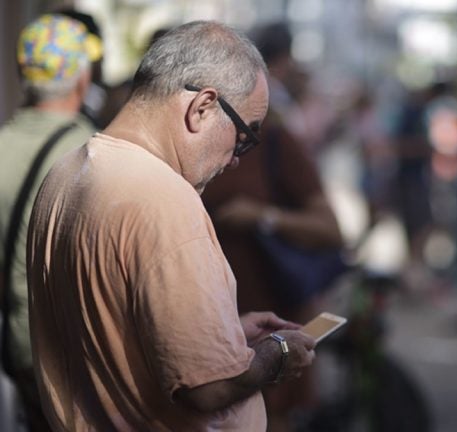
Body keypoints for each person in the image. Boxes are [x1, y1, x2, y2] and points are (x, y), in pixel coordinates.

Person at [25, 21, 316, 431]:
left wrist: (225, 335)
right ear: (202, 108)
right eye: (244, 136)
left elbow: (118, 329)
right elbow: (208, 388)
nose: (236, 158)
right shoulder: (165, 198)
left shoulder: (65, 173)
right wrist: (277, 354)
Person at [203, 21, 343, 432]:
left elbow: (331, 229)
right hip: (211, 322)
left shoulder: (276, 140)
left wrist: (263, 216)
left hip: (269, 310)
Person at [0, 14, 102, 432]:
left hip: (12, 344)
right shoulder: (89, 152)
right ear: (82, 77)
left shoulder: (2, 142)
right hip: (63, 353)